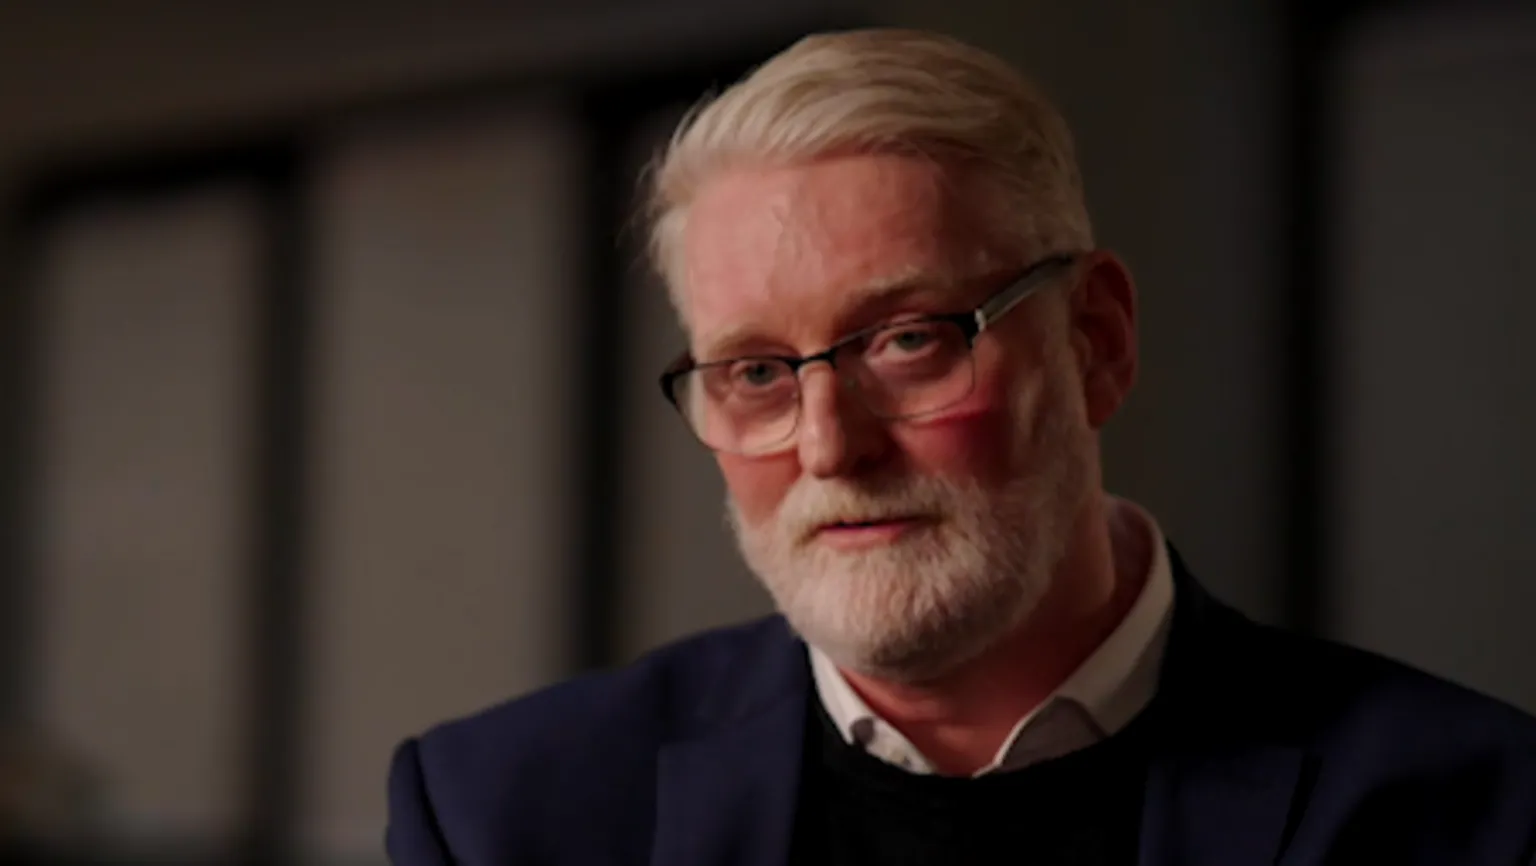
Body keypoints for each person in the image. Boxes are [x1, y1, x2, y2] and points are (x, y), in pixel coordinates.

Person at [386, 28, 1536, 865]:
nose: (831, 444)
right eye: (754, 371)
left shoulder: (1474, 807)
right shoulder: (507, 813)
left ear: (1096, 340)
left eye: (905, 340)